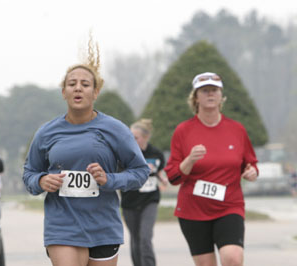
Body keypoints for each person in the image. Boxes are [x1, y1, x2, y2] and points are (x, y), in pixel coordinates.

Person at [22, 36, 150, 266]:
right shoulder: (47, 132)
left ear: (95, 92)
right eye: (71, 84)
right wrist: (41, 181)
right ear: (64, 92)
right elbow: (30, 171)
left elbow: (140, 171)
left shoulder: (114, 129)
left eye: (85, 84)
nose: (78, 88)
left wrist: (108, 179)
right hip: (62, 224)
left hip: (102, 225)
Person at [164, 72, 258, 266]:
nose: (210, 95)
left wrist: (252, 172)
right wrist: (189, 160)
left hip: (229, 205)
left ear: (221, 96)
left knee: (232, 258)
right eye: (204, 91)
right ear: (196, 97)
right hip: (193, 209)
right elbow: (173, 177)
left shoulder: (237, 129)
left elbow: (250, 163)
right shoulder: (183, 130)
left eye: (214, 90)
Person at [120, 118, 166, 266]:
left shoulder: (156, 154)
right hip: (129, 202)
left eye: (136, 138)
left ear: (145, 137)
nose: (132, 141)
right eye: (130, 138)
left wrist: (161, 178)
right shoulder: (124, 155)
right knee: (135, 239)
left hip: (149, 200)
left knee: (145, 237)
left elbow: (157, 170)